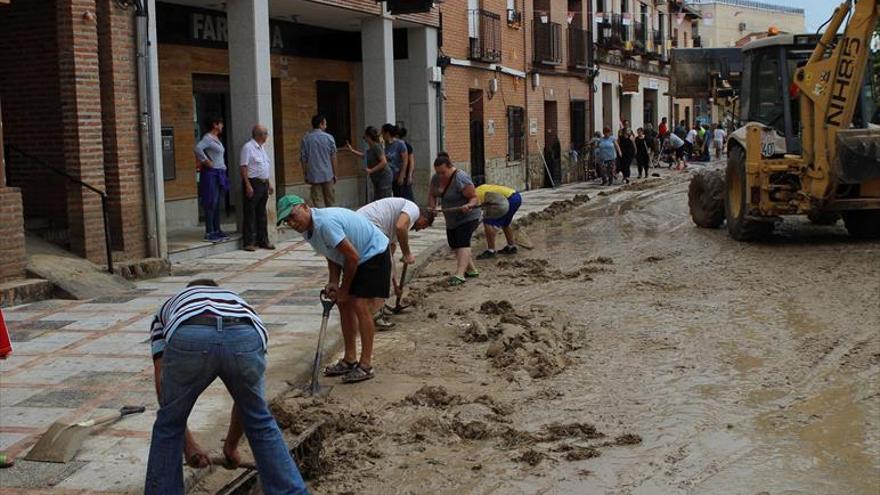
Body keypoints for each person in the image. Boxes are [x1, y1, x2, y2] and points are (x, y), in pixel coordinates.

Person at [144, 279, 307, 495]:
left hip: (190, 331)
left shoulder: (169, 307)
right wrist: (231, 446)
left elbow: (163, 387)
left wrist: (187, 443)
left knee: (168, 424)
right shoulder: (237, 301)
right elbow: (245, 403)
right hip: (244, 332)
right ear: (216, 290)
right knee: (259, 418)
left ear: (188, 291)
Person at [278, 194, 390, 383]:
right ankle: (350, 359)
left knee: (360, 305)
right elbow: (332, 253)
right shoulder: (308, 230)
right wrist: (333, 282)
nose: (292, 223)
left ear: (305, 207)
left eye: (293, 216)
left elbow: (352, 257)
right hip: (355, 257)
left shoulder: (325, 223)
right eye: (287, 220)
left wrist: (344, 290)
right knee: (343, 305)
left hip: (373, 253)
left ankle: (366, 365)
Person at [356, 198, 435, 329]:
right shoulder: (413, 209)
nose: (419, 229)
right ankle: (376, 315)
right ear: (424, 218)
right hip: (368, 226)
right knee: (377, 276)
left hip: (364, 227)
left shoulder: (391, 225)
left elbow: (389, 261)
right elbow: (401, 227)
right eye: (423, 226)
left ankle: (375, 308)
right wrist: (407, 253)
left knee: (379, 270)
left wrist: (395, 285)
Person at [429, 154, 480, 286]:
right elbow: (432, 194)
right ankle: (471, 270)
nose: (440, 175)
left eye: (443, 172)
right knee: (454, 243)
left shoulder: (460, 178)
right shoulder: (436, 179)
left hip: (468, 216)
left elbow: (474, 198)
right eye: (438, 172)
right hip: (451, 217)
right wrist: (432, 207)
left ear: (450, 167)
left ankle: (460, 274)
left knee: (462, 242)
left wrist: (468, 205)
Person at [194, 117, 229, 243]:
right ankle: (209, 231)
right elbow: (197, 148)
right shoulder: (207, 138)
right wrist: (205, 160)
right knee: (211, 201)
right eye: (220, 123)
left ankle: (217, 229)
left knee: (217, 202)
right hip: (211, 173)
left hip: (220, 171)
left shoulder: (216, 139)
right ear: (215, 124)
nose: (222, 126)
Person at [240, 125, 275, 252]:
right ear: (260, 135)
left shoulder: (261, 148)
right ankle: (249, 241)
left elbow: (264, 167)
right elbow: (243, 167)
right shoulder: (248, 147)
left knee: (262, 213)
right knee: (250, 213)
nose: (267, 136)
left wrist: (269, 183)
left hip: (263, 183)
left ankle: (263, 240)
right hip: (253, 182)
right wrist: (248, 185)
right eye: (266, 134)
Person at [474, 184, 522, 259]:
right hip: (516, 196)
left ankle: (491, 251)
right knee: (505, 223)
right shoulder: (481, 188)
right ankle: (511, 247)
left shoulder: (476, 195)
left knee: (488, 222)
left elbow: (478, 213)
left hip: (509, 200)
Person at [300, 114, 338, 207]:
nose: (326, 125)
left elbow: (303, 159)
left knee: (318, 202)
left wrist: (305, 174)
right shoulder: (329, 138)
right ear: (321, 124)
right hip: (328, 174)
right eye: (325, 123)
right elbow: (333, 157)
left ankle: (321, 220)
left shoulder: (306, 139)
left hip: (314, 175)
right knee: (331, 202)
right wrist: (335, 173)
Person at [346, 126, 392, 200]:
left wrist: (371, 170)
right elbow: (364, 156)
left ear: (369, 137)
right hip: (377, 178)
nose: (364, 139)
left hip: (383, 177)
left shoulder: (376, 147)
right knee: (378, 198)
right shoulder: (371, 148)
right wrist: (352, 151)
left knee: (384, 199)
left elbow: (384, 162)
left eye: (365, 137)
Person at [381, 124, 413, 200]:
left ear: (387, 133)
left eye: (382, 133)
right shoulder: (385, 145)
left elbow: (405, 160)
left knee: (401, 196)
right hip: (389, 176)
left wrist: (402, 175)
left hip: (398, 175)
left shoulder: (400, 144)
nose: (381, 135)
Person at [398, 127, 416, 195]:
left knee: (406, 193)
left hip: (405, 174)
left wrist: (409, 175)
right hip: (398, 174)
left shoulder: (406, 146)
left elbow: (411, 162)